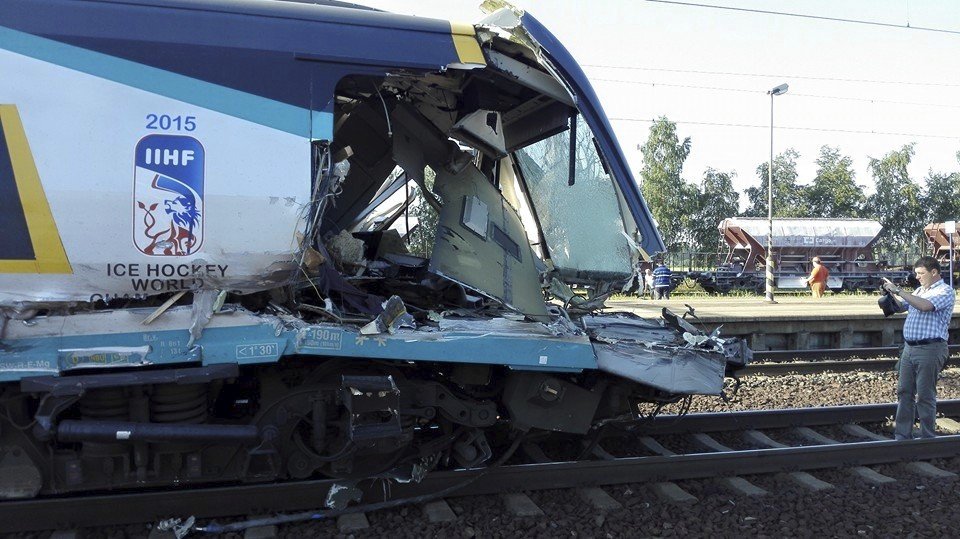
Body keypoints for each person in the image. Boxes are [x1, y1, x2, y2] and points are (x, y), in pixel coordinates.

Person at [881, 256, 955, 440]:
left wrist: (899, 290)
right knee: (904, 391)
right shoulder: (920, 290)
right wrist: (889, 296)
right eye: (916, 273)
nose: (918, 276)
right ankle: (902, 435)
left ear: (934, 272)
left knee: (924, 394)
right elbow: (901, 307)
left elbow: (925, 306)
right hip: (910, 348)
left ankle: (927, 437)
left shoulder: (945, 291)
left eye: (921, 273)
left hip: (931, 348)